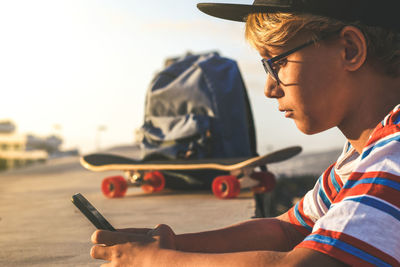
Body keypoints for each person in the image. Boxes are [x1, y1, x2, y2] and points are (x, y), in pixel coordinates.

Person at [89, 0, 400, 266]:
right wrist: (169, 247)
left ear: (349, 50)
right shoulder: (359, 157)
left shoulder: (394, 153)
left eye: (277, 62)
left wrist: (158, 261)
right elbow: (289, 229)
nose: (269, 88)